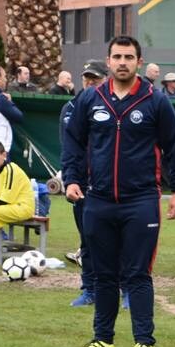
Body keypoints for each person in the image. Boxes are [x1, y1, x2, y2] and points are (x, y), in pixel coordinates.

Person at [62, 35, 175, 347]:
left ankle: (143, 341)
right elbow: (73, 141)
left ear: (139, 62)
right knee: (103, 274)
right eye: (117, 56)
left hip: (141, 200)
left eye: (128, 57)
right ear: (108, 60)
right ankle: (102, 339)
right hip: (98, 200)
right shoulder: (91, 99)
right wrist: (73, 179)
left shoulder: (155, 100)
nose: (122, 62)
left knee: (137, 274)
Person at [64, 60, 108, 306]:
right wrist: (71, 179)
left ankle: (125, 290)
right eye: (87, 78)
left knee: (118, 240)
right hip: (82, 184)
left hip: (109, 184)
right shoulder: (71, 108)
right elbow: (69, 147)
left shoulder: (114, 106)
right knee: (87, 238)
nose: (90, 82)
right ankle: (89, 289)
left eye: (96, 78)